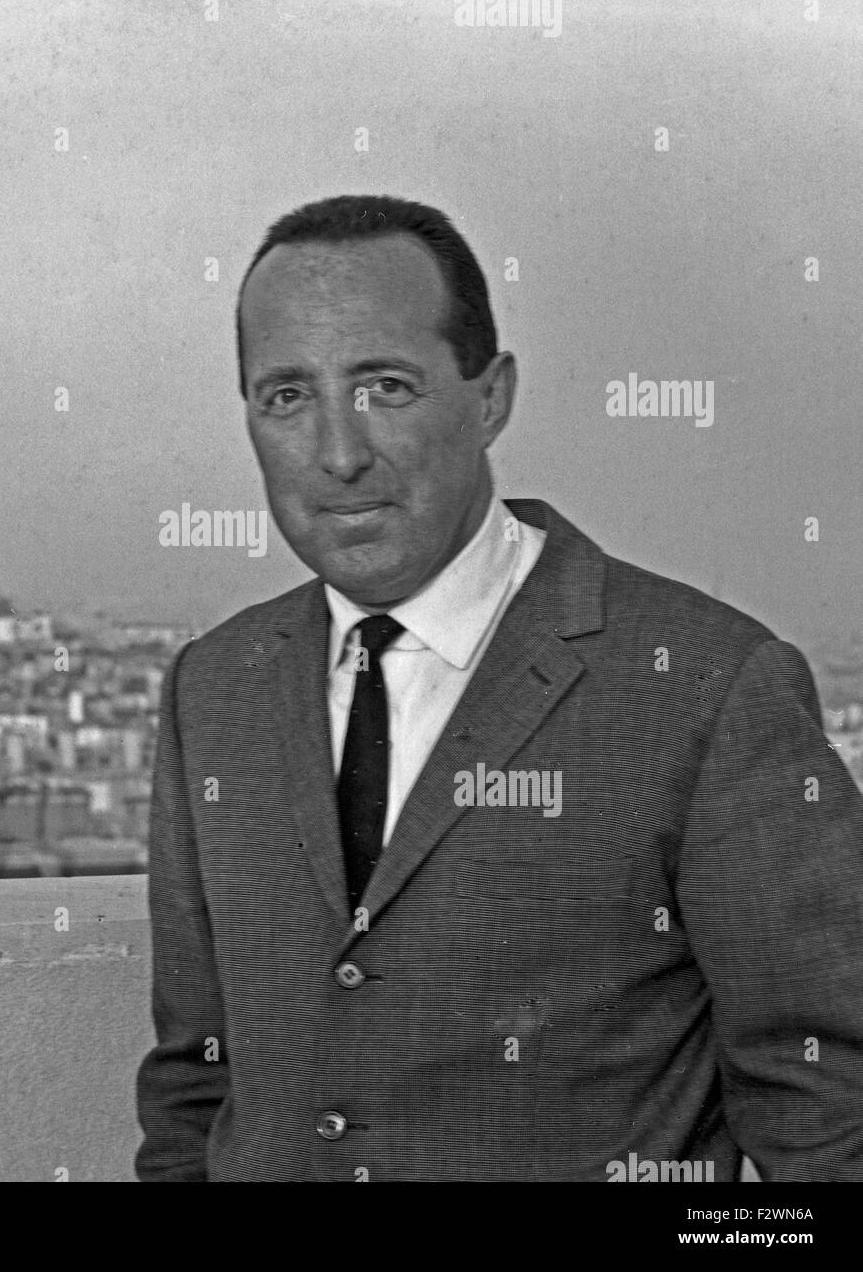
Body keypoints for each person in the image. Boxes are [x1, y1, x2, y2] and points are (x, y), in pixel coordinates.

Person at [134, 194, 863, 1181]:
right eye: (287, 396)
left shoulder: (707, 686)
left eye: (384, 386)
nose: (339, 453)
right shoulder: (211, 691)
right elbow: (196, 1082)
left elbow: (828, 1109)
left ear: (490, 398)